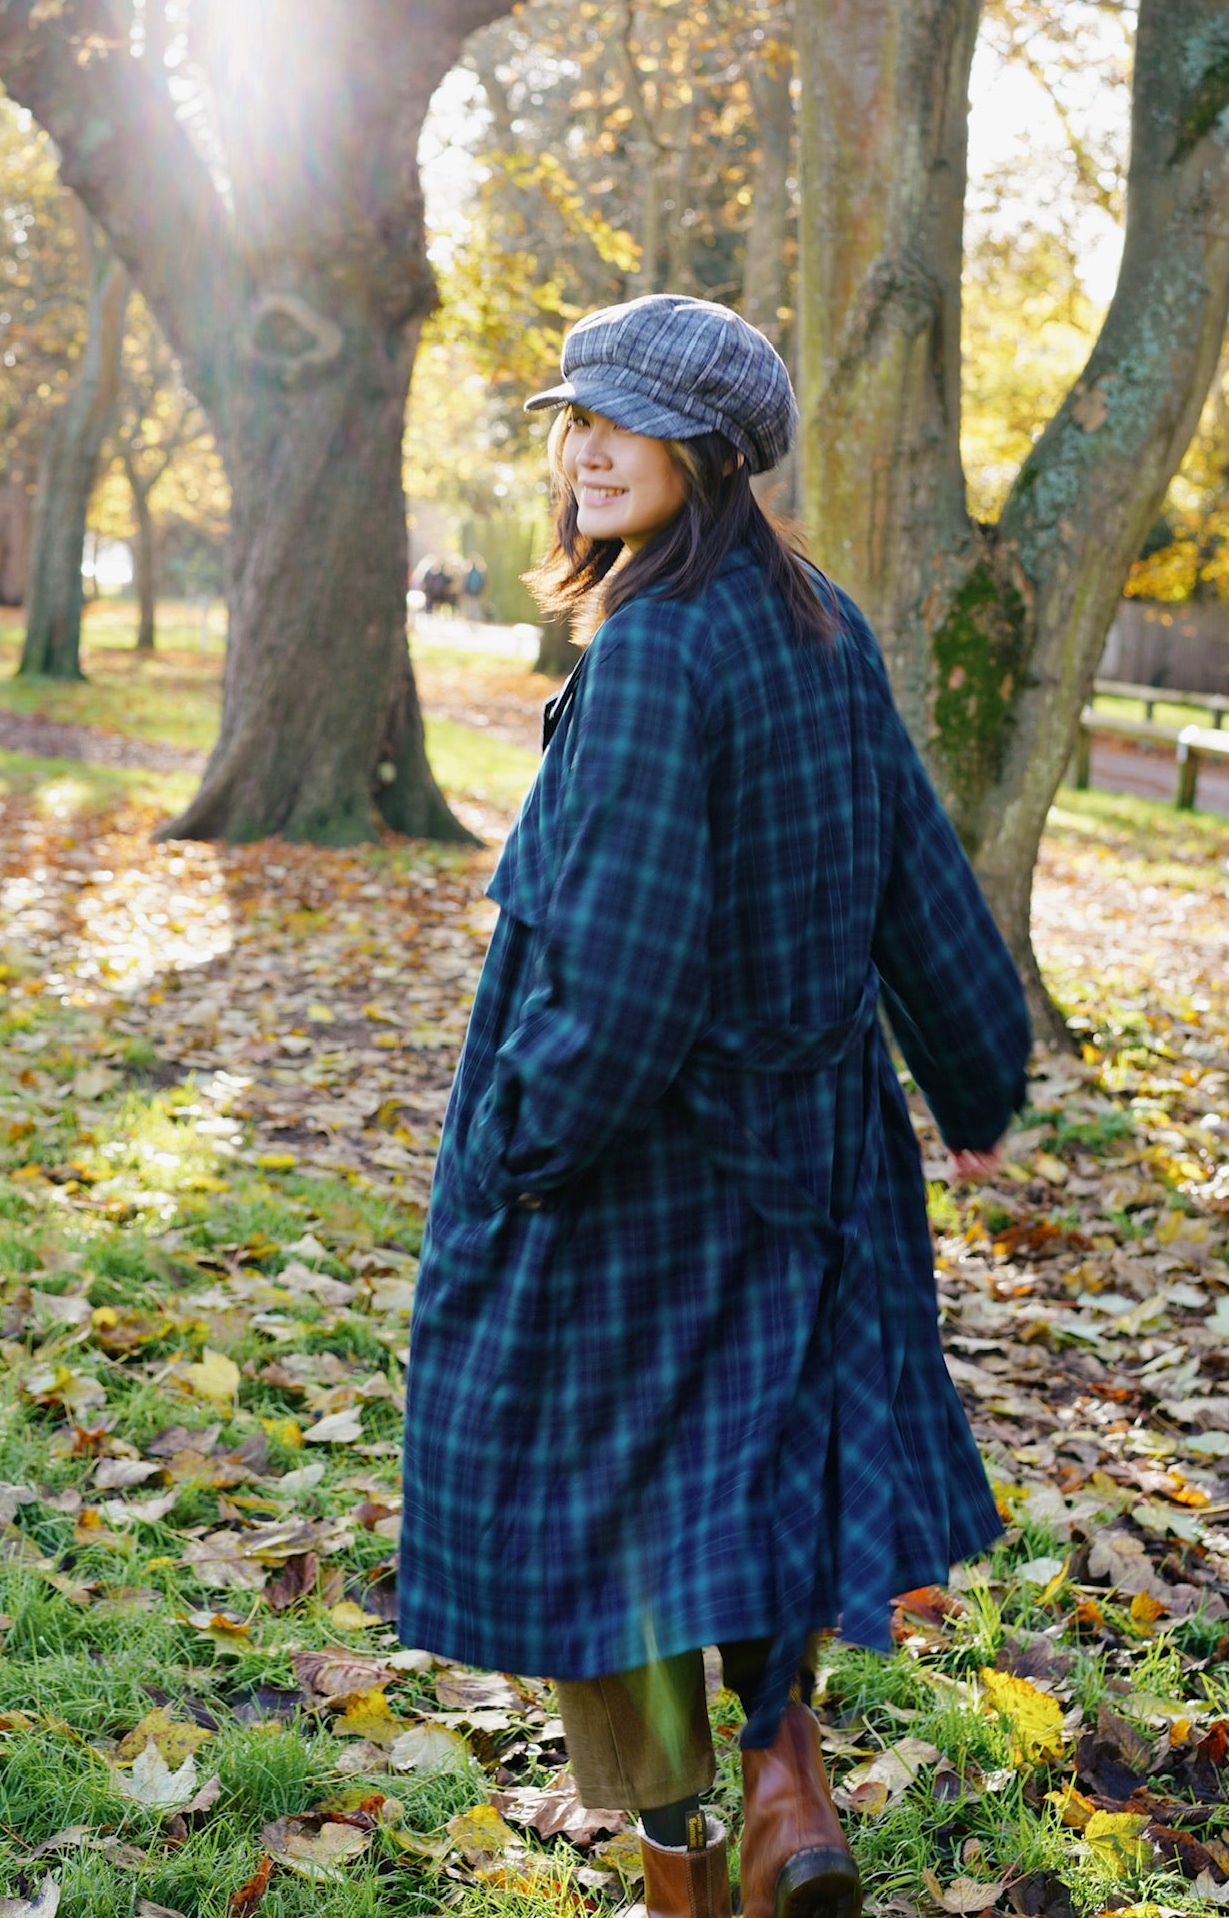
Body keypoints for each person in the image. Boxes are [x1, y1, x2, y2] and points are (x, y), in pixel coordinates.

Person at [400, 295, 1030, 1918]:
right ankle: (785, 1781)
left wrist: (516, 1152)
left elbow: (619, 982)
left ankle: (685, 1864)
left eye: (628, 425)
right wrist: (976, 1076)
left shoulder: (661, 653)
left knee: (605, 1516)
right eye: (576, 419)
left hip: (643, 1172)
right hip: (811, 1156)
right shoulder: (820, 624)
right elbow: (917, 879)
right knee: (746, 1481)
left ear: (716, 454)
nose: (588, 449)